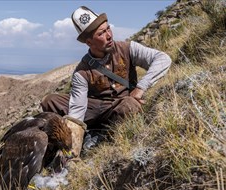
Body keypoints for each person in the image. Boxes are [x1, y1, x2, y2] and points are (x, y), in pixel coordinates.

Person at [41, 6, 172, 157]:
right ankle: (67, 145)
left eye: (108, 29)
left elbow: (163, 59)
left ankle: (103, 136)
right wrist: (73, 149)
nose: (109, 35)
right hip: (95, 109)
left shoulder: (128, 48)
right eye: (101, 33)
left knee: (129, 106)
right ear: (89, 42)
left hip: (123, 104)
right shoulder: (81, 72)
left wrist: (140, 88)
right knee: (49, 101)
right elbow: (77, 110)